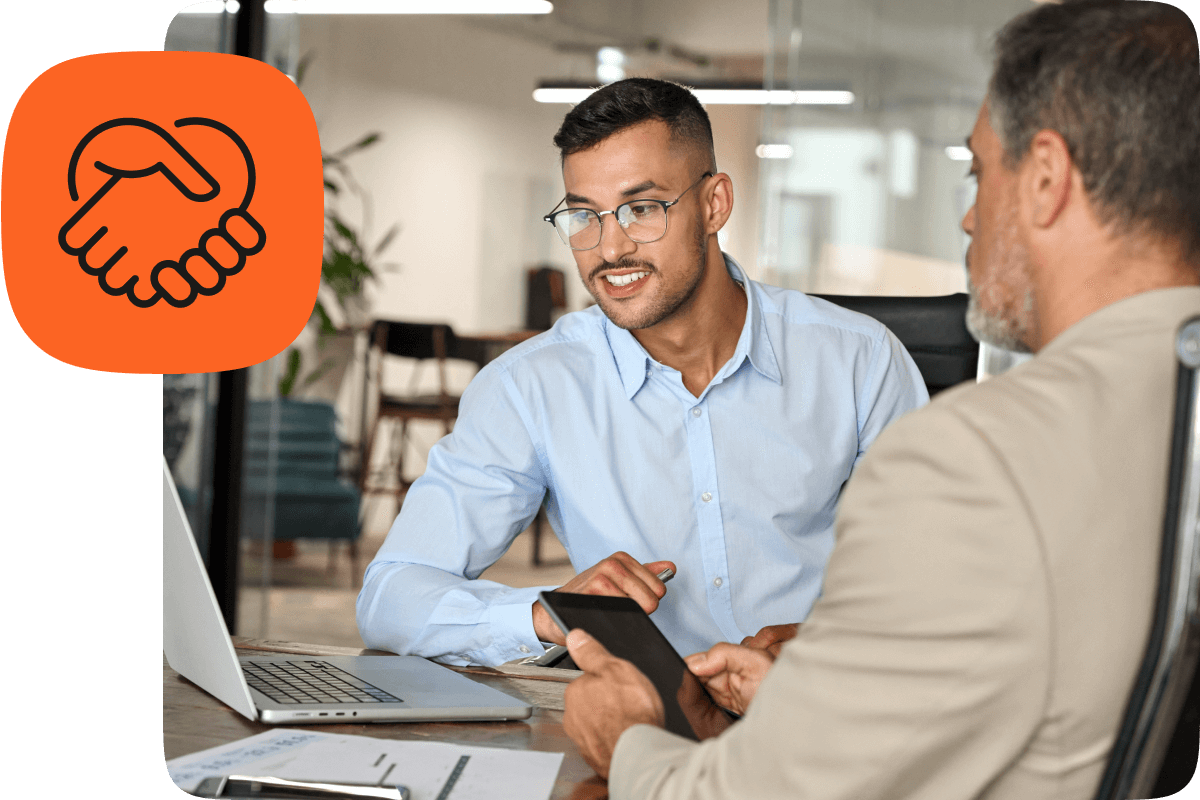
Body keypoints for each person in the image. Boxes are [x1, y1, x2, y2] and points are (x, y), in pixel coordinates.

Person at [559, 1, 1200, 797]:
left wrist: (629, 743)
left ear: (1043, 178)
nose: (970, 216)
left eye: (977, 170)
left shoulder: (976, 455)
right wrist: (814, 701)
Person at [357, 78, 928, 667]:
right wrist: (544, 612)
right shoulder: (532, 386)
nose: (609, 248)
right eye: (583, 216)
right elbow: (390, 596)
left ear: (715, 204)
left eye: (642, 208)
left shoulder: (860, 362)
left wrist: (834, 646)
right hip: (635, 721)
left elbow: (936, 579)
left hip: (819, 709)